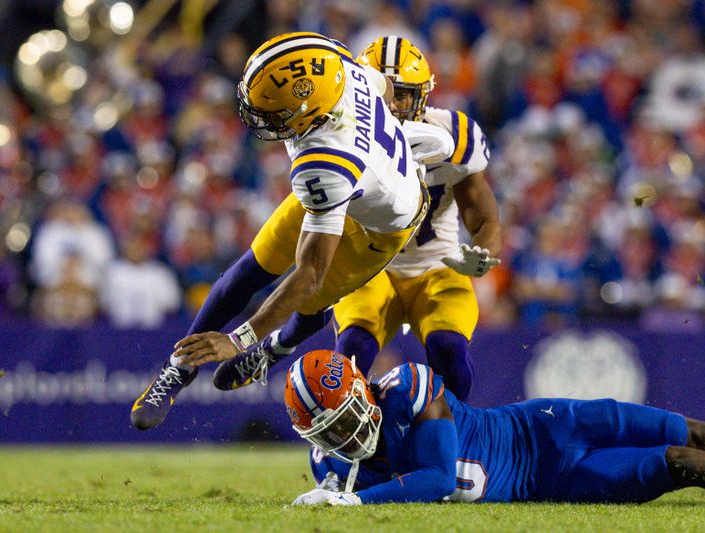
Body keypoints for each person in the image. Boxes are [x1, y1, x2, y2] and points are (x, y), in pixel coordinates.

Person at [131, 32, 455, 430]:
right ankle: (178, 368)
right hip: (360, 175)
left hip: (381, 226)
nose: (263, 120)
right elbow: (385, 86)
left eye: (275, 113)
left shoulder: (324, 164)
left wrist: (240, 340)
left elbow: (308, 275)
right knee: (253, 267)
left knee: (313, 298)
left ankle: (275, 347)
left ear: (311, 111)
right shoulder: (346, 72)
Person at [213, 36, 501, 402]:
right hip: (370, 266)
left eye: (405, 95)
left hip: (434, 265)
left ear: (424, 95)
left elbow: (485, 217)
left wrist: (481, 253)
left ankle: (458, 444)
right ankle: (347, 444)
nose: (394, 105)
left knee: (449, 350)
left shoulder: (454, 137)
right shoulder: (340, 137)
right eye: (388, 93)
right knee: (352, 350)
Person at [286, 350, 705, 505]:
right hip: (554, 483)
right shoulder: (331, 469)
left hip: (544, 427)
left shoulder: (406, 388)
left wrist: (358, 502)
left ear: (362, 390)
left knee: (683, 431)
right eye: (330, 432)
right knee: (677, 462)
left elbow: (437, 478)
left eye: (345, 418)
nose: (345, 436)